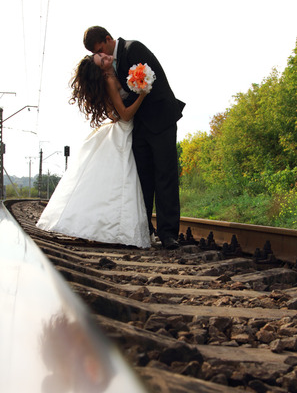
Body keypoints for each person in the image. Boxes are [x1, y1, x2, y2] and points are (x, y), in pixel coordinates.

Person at [83, 27, 185, 250]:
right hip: (138, 126)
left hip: (160, 119)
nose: (103, 56)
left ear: (108, 39)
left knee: (165, 176)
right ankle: (143, 230)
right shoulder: (109, 67)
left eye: (101, 49)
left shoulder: (133, 49)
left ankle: (168, 234)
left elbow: (150, 82)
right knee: (142, 180)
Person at [36, 53, 151, 249]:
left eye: (102, 56)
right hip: (123, 130)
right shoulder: (108, 80)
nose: (107, 58)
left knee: (111, 183)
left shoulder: (113, 74)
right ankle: (110, 231)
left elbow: (113, 112)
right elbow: (124, 115)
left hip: (122, 129)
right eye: (102, 61)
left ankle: (106, 229)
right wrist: (142, 94)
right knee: (121, 181)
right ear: (100, 70)